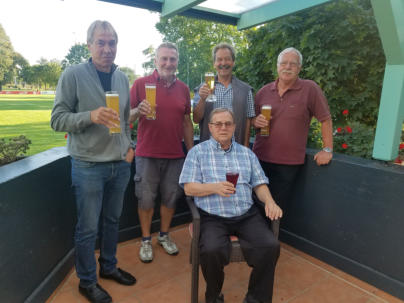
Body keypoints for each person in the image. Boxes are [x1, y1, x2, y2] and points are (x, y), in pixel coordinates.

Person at [51, 21, 136, 303]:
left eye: (112, 43)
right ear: (89, 44)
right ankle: (87, 281)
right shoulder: (73, 74)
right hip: (88, 165)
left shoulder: (122, 78)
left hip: (119, 165)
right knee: (87, 228)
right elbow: (57, 119)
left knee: (112, 221)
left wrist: (128, 147)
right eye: (100, 42)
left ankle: (109, 267)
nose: (107, 48)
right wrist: (90, 116)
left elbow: (124, 120)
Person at [179, 108, 282, 303]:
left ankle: (255, 299)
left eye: (228, 123)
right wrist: (214, 187)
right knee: (211, 250)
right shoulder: (197, 153)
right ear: (210, 127)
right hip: (212, 216)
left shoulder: (247, 154)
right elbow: (189, 188)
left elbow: (259, 183)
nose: (223, 127)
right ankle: (214, 295)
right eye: (218, 124)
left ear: (234, 127)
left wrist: (270, 201)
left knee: (270, 246)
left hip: (246, 215)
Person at [130, 42, 194, 263]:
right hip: (146, 154)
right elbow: (125, 119)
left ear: (177, 62)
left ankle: (164, 236)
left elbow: (187, 122)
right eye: (164, 59)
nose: (168, 63)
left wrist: (191, 153)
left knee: (170, 198)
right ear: (155, 61)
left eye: (172, 59)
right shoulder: (140, 84)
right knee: (145, 199)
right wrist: (138, 110)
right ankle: (146, 239)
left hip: (175, 155)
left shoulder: (184, 89)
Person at [252, 47, 333, 211]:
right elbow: (251, 119)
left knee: (277, 206)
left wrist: (327, 149)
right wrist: (255, 121)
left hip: (288, 162)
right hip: (259, 158)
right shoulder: (264, 91)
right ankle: (254, 235)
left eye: (293, 64)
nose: (287, 67)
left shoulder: (310, 89)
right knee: (254, 202)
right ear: (277, 66)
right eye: (284, 63)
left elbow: (325, 119)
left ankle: (270, 236)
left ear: (299, 68)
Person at [193, 43, 255, 146]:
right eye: (219, 59)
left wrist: (246, 148)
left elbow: (248, 122)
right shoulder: (202, 89)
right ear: (214, 63)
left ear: (233, 62)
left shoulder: (246, 90)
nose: (223, 63)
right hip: (209, 149)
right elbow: (196, 119)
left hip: (236, 148)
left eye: (227, 59)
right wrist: (202, 99)